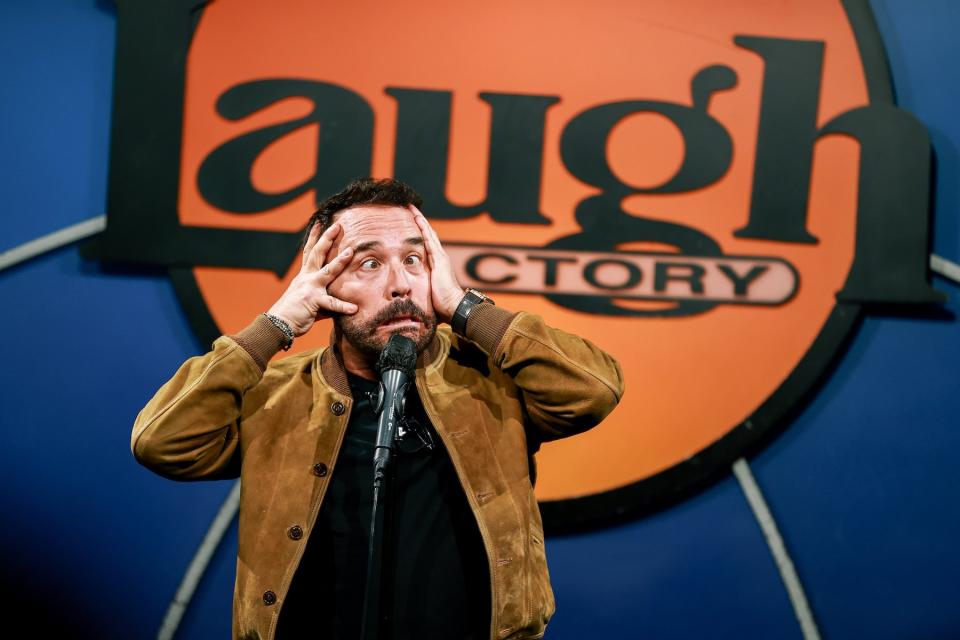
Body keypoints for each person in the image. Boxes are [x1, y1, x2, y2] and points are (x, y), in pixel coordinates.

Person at [132, 177, 624, 640]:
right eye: (369, 263)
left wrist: (465, 306)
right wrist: (277, 322)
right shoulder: (275, 394)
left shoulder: (492, 379)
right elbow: (163, 443)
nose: (401, 285)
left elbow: (593, 389)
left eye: (415, 259)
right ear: (323, 285)